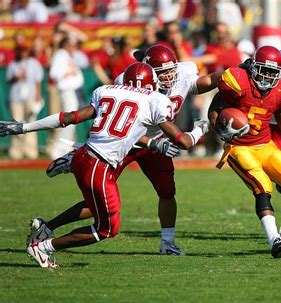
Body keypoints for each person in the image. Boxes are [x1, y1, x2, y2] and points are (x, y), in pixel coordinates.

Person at [0, 63, 208, 268]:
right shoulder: (154, 99)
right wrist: (201, 128)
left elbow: (70, 117)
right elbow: (184, 142)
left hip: (90, 157)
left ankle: (71, 162)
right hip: (99, 164)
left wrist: (24, 127)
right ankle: (43, 247)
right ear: (151, 82)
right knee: (107, 228)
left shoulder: (108, 90)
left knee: (101, 209)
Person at [33, 45, 223, 255]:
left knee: (167, 191)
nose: (169, 77)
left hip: (158, 141)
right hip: (129, 142)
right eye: (163, 73)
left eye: (171, 71)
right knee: (101, 199)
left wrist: (238, 72)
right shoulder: (127, 82)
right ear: (148, 73)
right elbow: (123, 125)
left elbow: (210, 80)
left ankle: (167, 243)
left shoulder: (183, 73)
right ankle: (50, 223)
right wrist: (165, 139)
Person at [208, 46, 281, 258]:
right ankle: (274, 239)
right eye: (263, 70)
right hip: (239, 147)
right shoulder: (237, 82)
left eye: (273, 72)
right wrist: (221, 130)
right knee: (262, 186)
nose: (267, 76)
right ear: (253, 67)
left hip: (265, 145)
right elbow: (214, 110)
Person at [6, 43, 44, 160]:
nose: (23, 53)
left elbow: (38, 81)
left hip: (30, 96)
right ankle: (16, 150)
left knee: (31, 123)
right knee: (16, 123)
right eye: (20, 51)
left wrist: (38, 95)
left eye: (24, 50)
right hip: (16, 97)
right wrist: (16, 77)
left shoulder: (34, 63)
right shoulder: (13, 64)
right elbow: (8, 79)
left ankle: (31, 150)